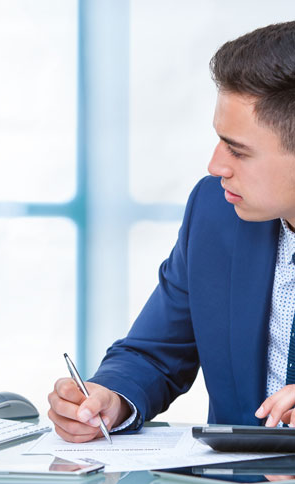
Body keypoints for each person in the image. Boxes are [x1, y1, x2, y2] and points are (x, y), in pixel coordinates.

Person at [48, 21, 295, 443]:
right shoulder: (217, 210)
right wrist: (112, 398)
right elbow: (155, 352)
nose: (216, 166)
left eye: (238, 150)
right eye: (220, 141)